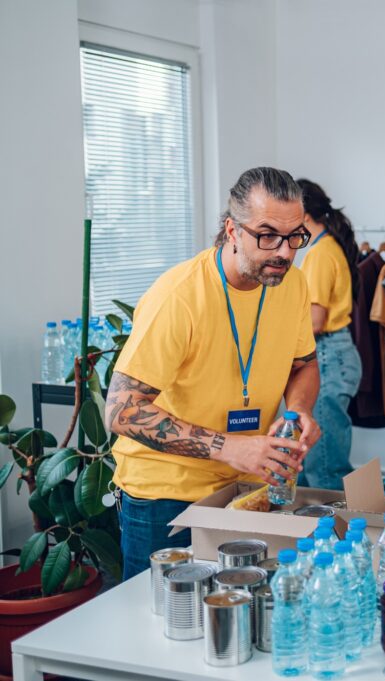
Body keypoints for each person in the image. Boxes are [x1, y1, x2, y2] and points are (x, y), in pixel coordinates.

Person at [105, 167, 322, 580]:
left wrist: (297, 412)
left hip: (244, 487)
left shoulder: (290, 284)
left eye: (295, 236)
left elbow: (304, 364)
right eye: (267, 235)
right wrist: (234, 448)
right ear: (231, 230)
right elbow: (120, 410)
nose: (285, 252)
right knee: (162, 628)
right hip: (165, 498)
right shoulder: (180, 296)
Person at [295, 179, 363, 488]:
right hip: (335, 355)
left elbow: (316, 321)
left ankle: (333, 536)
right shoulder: (329, 246)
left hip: (327, 356)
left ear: (303, 213)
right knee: (318, 464)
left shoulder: (321, 254)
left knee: (322, 470)